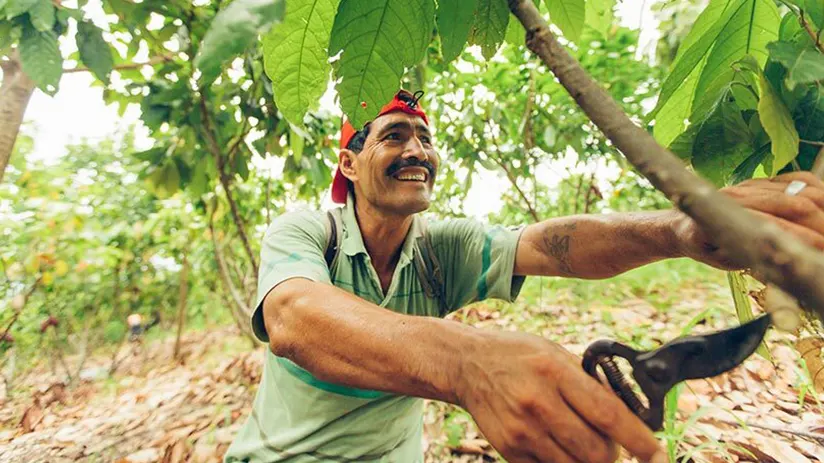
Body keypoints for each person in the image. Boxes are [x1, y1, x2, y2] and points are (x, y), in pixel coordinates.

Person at [224, 89, 824, 463]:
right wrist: (464, 361)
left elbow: (548, 245)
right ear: (349, 163)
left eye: (425, 138)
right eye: (394, 136)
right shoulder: (306, 232)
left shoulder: (439, 247)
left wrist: (678, 231)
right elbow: (294, 318)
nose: (418, 150)